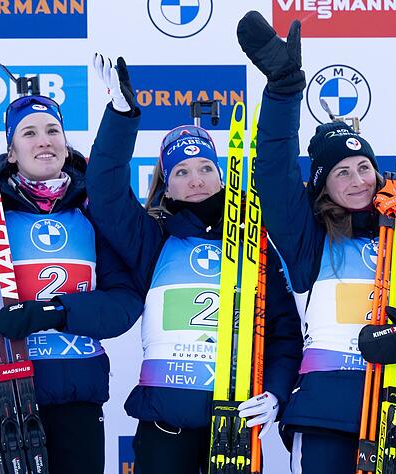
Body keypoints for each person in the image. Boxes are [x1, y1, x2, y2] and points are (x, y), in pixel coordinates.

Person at [236, 11, 396, 474]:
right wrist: (284, 91)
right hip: (324, 408)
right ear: (322, 186)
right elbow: (272, 173)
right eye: (341, 172)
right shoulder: (309, 237)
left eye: (363, 167)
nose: (356, 180)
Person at [87, 54, 303, 474]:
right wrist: (120, 115)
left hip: (235, 424)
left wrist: (276, 394)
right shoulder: (152, 239)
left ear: (221, 175)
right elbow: (106, 190)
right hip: (165, 426)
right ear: (166, 184)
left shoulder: (253, 244)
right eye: (182, 171)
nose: (197, 178)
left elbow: (284, 332)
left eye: (206, 167)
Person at [0, 93, 144, 474]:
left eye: (53, 130)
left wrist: (54, 311)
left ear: (65, 145)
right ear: (12, 152)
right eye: (29, 133)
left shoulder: (94, 212)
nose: (44, 140)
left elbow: (124, 305)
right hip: (2, 398)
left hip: (77, 400)